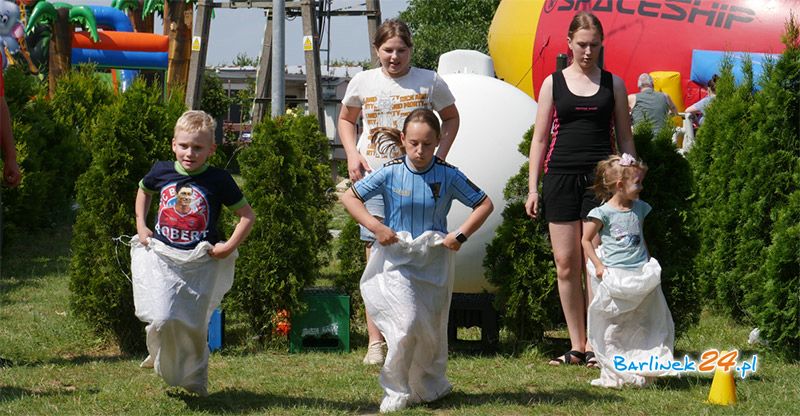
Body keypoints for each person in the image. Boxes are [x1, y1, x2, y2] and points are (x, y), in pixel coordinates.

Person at [340, 109, 492, 413]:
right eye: (413, 143)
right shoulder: (391, 171)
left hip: (433, 261)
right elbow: (349, 197)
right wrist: (377, 227)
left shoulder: (448, 174)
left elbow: (484, 203)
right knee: (406, 323)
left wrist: (459, 236)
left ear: (437, 141)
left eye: (426, 144)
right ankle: (395, 390)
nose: (419, 151)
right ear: (402, 140)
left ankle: (426, 386)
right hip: (397, 259)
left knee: (429, 329)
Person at [338, 18, 460, 366]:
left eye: (401, 51)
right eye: (388, 50)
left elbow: (451, 118)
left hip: (419, 179)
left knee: (417, 252)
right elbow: (347, 119)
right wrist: (351, 152)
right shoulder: (363, 81)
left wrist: (441, 156)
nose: (395, 57)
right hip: (375, 174)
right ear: (377, 50)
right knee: (376, 253)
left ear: (410, 51)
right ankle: (376, 340)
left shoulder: (429, 81)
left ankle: (414, 332)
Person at [524, 11, 637, 368]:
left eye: (594, 45)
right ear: (569, 44)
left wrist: (630, 176)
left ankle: (597, 346)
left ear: (601, 45)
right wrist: (532, 188)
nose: (588, 52)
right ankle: (577, 343)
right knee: (565, 263)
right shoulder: (551, 84)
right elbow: (539, 139)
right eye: (582, 45)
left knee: (595, 264)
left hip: (601, 183)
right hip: (558, 177)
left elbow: (625, 137)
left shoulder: (613, 84)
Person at [132, 110, 255, 396]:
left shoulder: (219, 180)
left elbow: (247, 215)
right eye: (184, 146)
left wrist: (229, 246)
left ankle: (195, 377)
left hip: (200, 262)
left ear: (211, 150)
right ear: (174, 144)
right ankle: (160, 354)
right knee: (162, 318)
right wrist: (141, 223)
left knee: (194, 326)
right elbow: (144, 190)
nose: (190, 153)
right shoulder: (161, 170)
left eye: (198, 147)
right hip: (163, 258)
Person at [582, 154, 675, 388]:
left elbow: (641, 236)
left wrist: (647, 259)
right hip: (615, 274)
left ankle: (642, 364)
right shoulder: (602, 213)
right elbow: (585, 240)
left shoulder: (640, 208)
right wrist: (599, 265)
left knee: (640, 320)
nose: (641, 188)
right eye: (637, 183)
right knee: (615, 323)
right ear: (620, 186)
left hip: (638, 273)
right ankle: (614, 367)